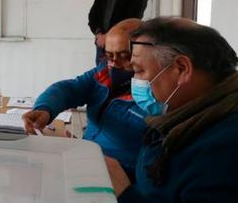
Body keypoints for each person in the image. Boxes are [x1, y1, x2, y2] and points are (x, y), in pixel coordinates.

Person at [105, 17, 238, 202]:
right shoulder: (177, 123)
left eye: (139, 71)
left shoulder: (233, 155)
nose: (135, 81)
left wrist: (125, 194)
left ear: (181, 69)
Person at [23, 19, 147, 179]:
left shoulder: (152, 97)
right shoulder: (102, 73)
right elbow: (69, 89)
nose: (114, 64)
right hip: (86, 161)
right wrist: (44, 109)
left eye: (125, 56)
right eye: (109, 55)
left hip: (118, 179)